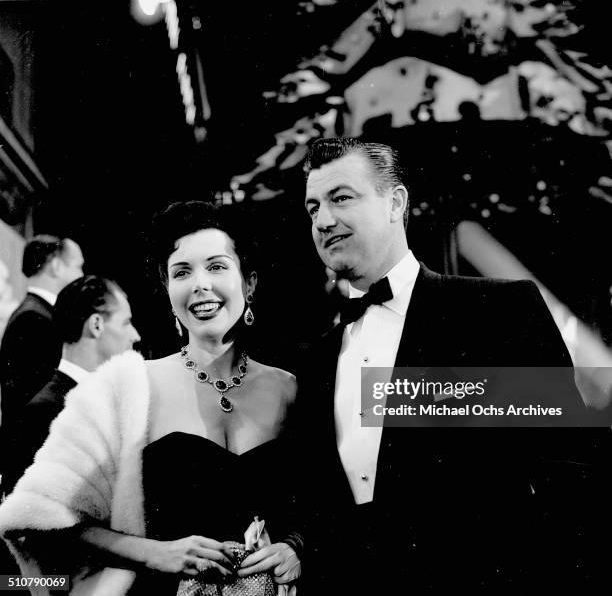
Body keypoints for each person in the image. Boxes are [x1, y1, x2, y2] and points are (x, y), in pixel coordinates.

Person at [298, 137, 599, 593]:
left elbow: (569, 474)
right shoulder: (316, 359)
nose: (324, 219)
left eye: (341, 198)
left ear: (395, 202)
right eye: (313, 207)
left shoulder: (498, 311)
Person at [0, 201, 301, 596]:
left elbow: (322, 505)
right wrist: (154, 553)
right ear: (168, 290)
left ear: (249, 283)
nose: (200, 284)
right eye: (181, 272)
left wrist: (296, 547)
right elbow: (30, 517)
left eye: (216, 266)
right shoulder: (125, 387)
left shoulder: (291, 388)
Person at [2, 275, 140, 493]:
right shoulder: (42, 413)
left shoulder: (106, 400)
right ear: (96, 324)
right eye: (126, 322)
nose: (135, 335)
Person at [0, 234, 84, 429]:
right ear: (56, 266)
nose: (81, 276)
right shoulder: (33, 318)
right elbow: (36, 399)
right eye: (77, 266)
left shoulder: (34, 312)